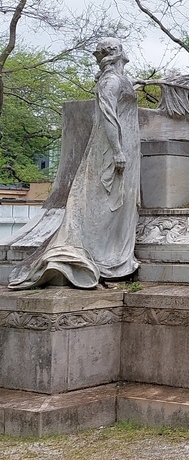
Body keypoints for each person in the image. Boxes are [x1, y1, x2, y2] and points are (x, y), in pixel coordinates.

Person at [8, 38, 140, 289]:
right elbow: (109, 118)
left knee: (116, 206)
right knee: (103, 204)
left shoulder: (119, 80)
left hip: (126, 149)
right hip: (111, 150)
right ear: (118, 53)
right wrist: (118, 151)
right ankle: (95, 258)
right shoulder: (110, 81)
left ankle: (110, 258)